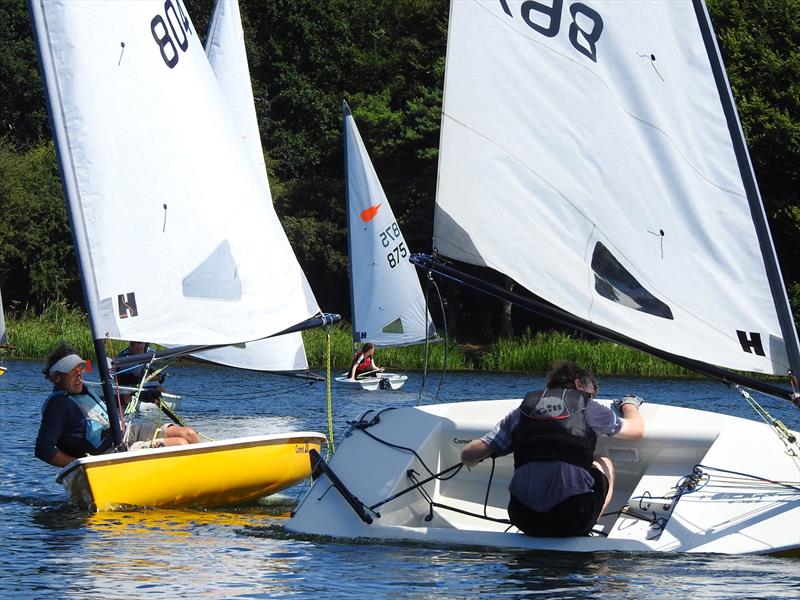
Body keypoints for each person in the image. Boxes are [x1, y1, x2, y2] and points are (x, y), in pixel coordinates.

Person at [460, 359, 645, 537]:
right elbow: (635, 431)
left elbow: (469, 454)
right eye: (594, 389)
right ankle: (589, 524)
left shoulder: (523, 411)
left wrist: (491, 451)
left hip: (524, 519)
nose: (594, 394)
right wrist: (629, 404)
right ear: (579, 383)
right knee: (603, 462)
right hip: (572, 520)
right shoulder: (588, 406)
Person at [35, 341, 199, 468]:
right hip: (111, 452)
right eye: (72, 370)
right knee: (180, 445)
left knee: (188, 434)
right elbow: (43, 449)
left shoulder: (83, 391)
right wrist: (81, 465)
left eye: (81, 368)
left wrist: (140, 395)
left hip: (125, 433)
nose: (79, 374)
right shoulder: (58, 405)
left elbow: (110, 401)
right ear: (57, 377)